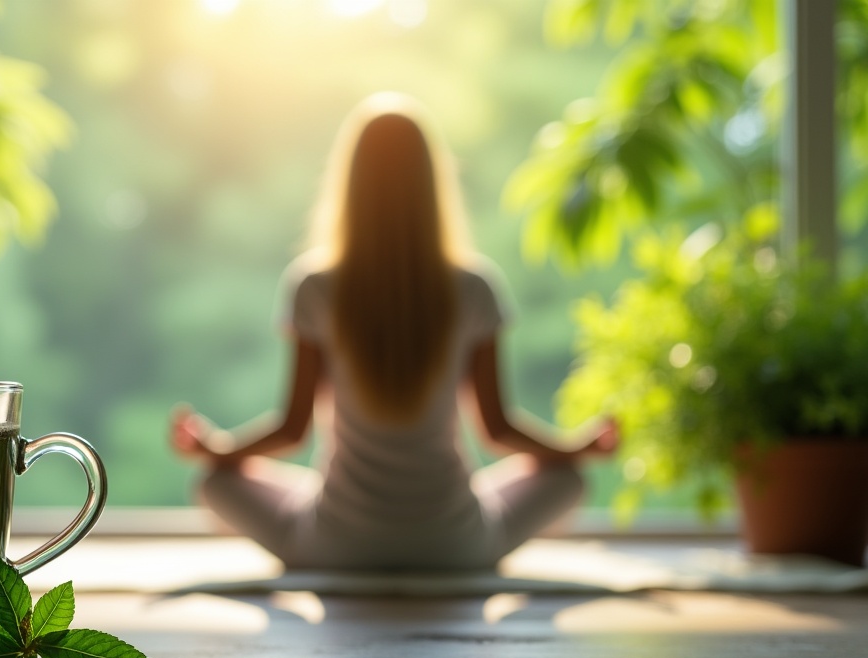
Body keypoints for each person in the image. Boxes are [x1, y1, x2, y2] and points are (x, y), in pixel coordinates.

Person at [170, 93, 617, 571]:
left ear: (350, 181)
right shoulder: (474, 287)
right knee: (569, 478)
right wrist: (574, 448)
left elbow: (292, 429)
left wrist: (218, 448)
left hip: (336, 545)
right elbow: (497, 429)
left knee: (214, 481)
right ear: (432, 181)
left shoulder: (315, 287)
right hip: (456, 545)